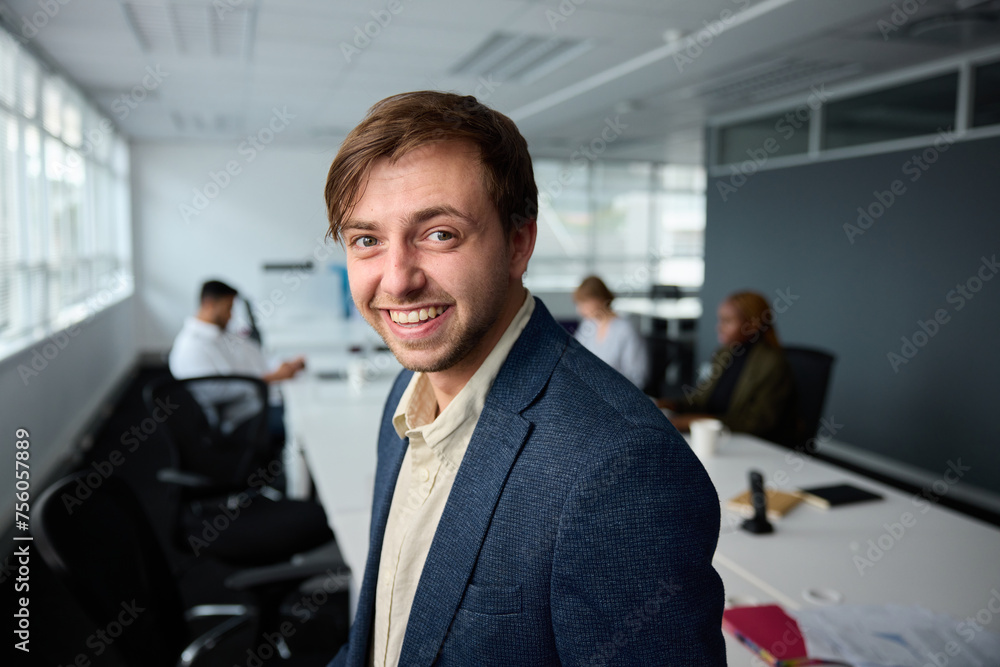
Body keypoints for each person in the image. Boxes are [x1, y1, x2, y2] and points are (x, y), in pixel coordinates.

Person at [324, 91, 725, 666]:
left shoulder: (619, 467)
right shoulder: (408, 394)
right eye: (367, 240)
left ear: (518, 244)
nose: (397, 280)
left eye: (439, 234)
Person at [169, 279, 306, 435]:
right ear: (209, 304)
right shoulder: (190, 347)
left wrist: (284, 366)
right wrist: (273, 377)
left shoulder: (221, 333)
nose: (231, 315)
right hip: (242, 418)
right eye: (228, 308)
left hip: (263, 400)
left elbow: (254, 359)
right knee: (304, 423)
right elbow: (219, 392)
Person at [661, 290, 795, 445]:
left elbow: (758, 423)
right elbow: (701, 399)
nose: (719, 327)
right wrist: (670, 404)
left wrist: (697, 421)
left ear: (752, 324)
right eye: (720, 320)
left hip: (753, 446)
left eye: (727, 321)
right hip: (721, 440)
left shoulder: (772, 363)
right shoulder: (724, 354)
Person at [572, 275, 648, 389]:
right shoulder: (588, 324)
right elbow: (574, 358)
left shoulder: (625, 329)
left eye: (584, 303)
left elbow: (637, 377)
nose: (580, 310)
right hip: (591, 389)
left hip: (619, 393)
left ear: (598, 299)